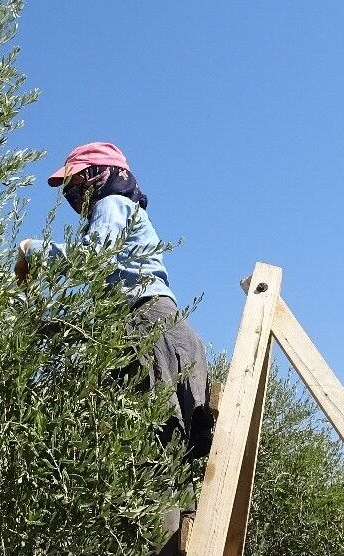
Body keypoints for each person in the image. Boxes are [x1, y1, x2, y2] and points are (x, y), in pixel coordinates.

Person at [16, 141, 212, 457]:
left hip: (145, 324)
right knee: (183, 448)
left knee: (152, 447)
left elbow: (94, 257)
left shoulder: (112, 205)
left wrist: (31, 249)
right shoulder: (129, 214)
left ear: (100, 174)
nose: (73, 196)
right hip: (174, 328)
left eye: (76, 183)